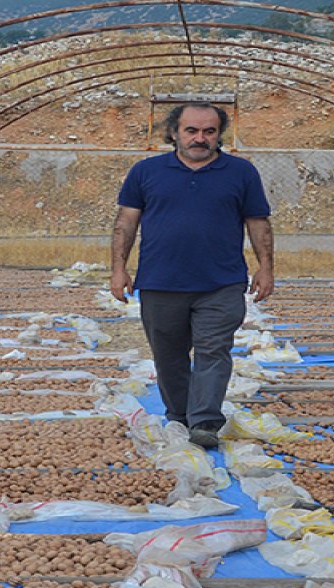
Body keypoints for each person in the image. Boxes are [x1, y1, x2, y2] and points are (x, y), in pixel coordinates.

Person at [110, 102, 275, 449]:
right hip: (160, 281)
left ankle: (205, 422)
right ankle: (180, 416)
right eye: (192, 131)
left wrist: (266, 267)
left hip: (221, 282)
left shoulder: (241, 173)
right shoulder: (146, 172)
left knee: (213, 351)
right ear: (174, 132)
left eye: (209, 131)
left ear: (219, 135)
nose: (200, 138)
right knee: (168, 355)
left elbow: (258, 222)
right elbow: (126, 222)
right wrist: (119, 268)